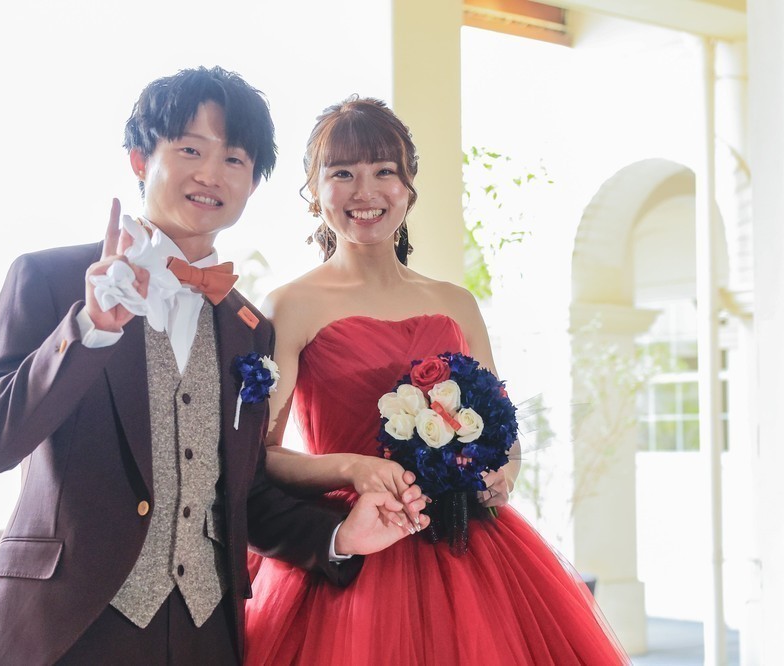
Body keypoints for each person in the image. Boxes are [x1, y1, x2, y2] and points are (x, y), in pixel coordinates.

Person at [0, 69, 429, 666]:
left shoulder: (249, 328)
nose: (211, 174)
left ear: (253, 182)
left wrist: (337, 536)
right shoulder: (50, 279)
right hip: (60, 631)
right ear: (139, 159)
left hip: (203, 637)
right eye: (189, 150)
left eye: (234, 159)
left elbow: (240, 493)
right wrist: (88, 330)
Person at [244, 96, 631, 665]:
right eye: (342, 173)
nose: (365, 191)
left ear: (408, 188)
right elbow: (263, 456)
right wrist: (353, 468)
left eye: (384, 171)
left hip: (467, 537)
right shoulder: (290, 305)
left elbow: (500, 427)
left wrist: (501, 474)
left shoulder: (455, 303)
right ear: (314, 191)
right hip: (358, 538)